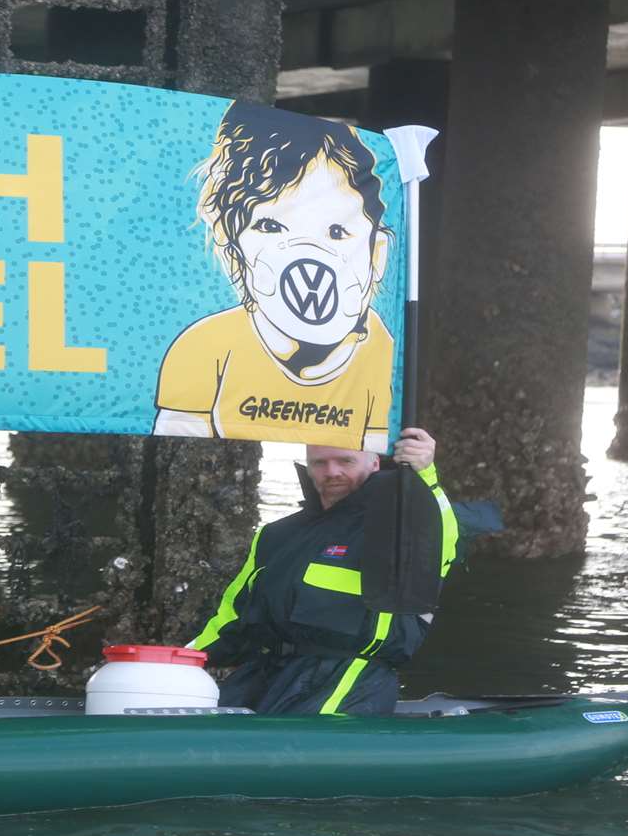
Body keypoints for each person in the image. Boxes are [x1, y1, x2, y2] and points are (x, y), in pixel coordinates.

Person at [154, 105, 397, 451]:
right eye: (270, 226)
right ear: (231, 244)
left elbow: (368, 462)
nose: (308, 257)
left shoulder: (383, 357)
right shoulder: (205, 349)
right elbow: (178, 453)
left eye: (338, 231)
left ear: (377, 253)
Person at [186, 427, 459, 716]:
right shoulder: (276, 535)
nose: (332, 472)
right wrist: (178, 659)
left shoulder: (398, 522)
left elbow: (436, 535)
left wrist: (423, 474)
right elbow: (234, 618)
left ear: (374, 463)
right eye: (320, 462)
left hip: (350, 677)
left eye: (345, 461)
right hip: (268, 673)